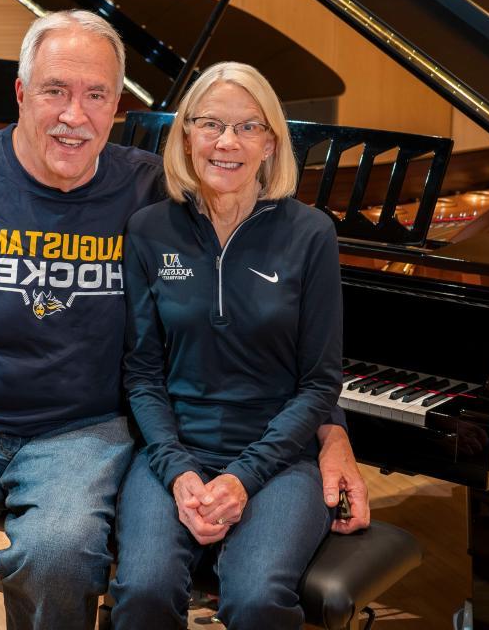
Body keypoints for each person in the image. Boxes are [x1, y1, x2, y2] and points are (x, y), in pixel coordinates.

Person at [0, 12, 369, 630]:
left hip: (82, 433)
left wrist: (332, 433)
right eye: (55, 90)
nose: (73, 115)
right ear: (21, 93)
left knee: (58, 556)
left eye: (96, 95)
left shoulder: (148, 192)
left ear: (118, 106)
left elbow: (267, 318)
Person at [109, 62, 346, 629]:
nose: (227, 142)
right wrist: (178, 471)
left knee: (258, 596)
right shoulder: (148, 229)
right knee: (142, 587)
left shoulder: (311, 233)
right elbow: (142, 373)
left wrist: (244, 477)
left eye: (247, 127)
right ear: (187, 135)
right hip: (173, 450)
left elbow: (320, 383)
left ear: (270, 142)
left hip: (279, 457)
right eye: (211, 124)